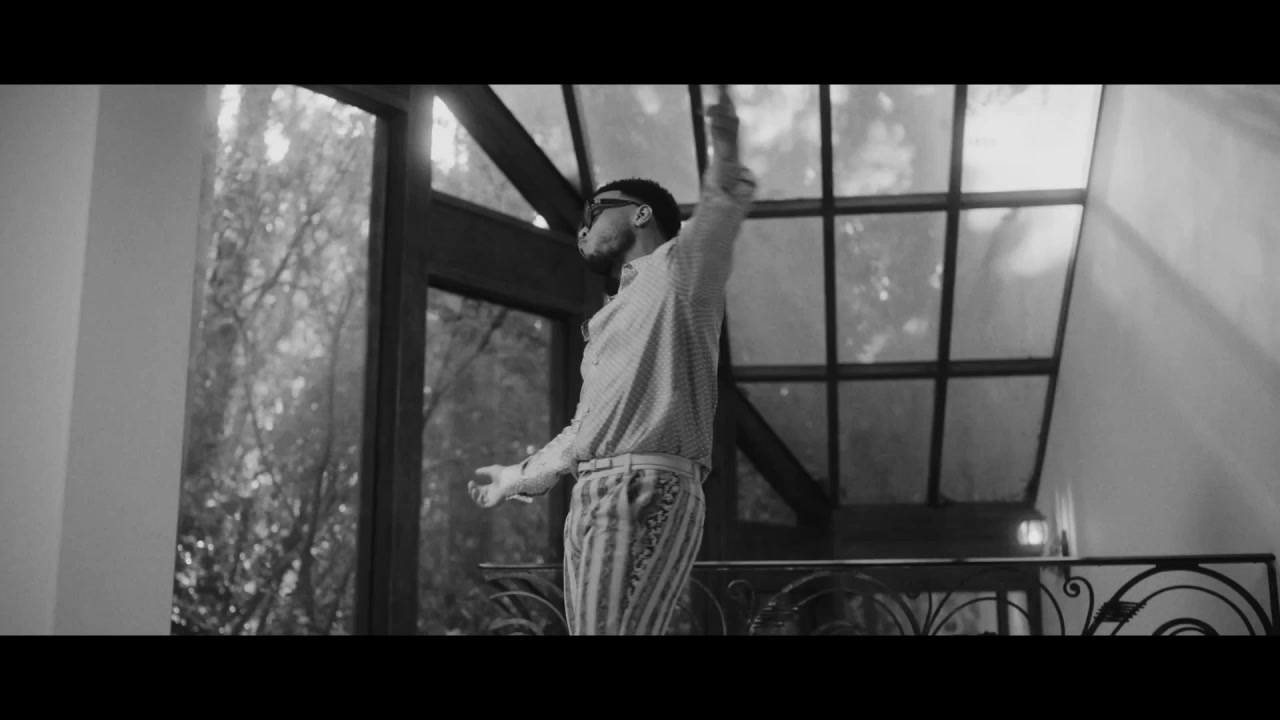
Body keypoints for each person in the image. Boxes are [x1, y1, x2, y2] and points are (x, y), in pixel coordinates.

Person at [469, 86, 755, 635]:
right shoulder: (605, 322)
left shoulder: (683, 272)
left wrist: (723, 133)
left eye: (594, 213)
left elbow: (722, 200)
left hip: (650, 484)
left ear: (641, 213)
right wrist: (517, 476)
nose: (582, 228)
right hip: (590, 494)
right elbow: (585, 431)